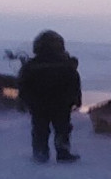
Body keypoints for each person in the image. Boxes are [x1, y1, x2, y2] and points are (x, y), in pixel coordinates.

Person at [17, 30, 82, 163]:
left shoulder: (32, 65)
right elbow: (74, 82)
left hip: (40, 104)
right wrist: (76, 98)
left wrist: (23, 100)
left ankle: (41, 153)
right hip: (60, 103)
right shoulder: (66, 64)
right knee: (62, 128)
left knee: (41, 129)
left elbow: (23, 84)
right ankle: (62, 152)